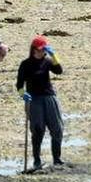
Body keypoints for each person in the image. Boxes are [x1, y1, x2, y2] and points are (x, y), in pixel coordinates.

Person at [16, 35, 65, 170]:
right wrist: (22, 94)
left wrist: (54, 55)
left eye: (43, 50)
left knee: (57, 129)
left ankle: (57, 159)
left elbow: (59, 71)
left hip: (49, 98)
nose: (40, 52)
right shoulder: (25, 64)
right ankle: (37, 160)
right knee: (38, 130)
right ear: (33, 50)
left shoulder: (47, 61)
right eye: (38, 50)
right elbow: (19, 84)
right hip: (34, 100)